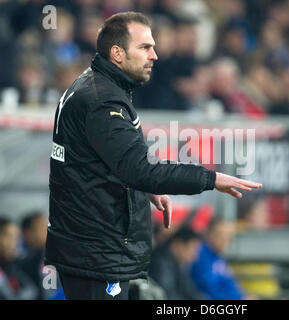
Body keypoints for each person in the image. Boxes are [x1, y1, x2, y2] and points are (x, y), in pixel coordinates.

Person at [45, 11, 261, 300]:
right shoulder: (102, 100)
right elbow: (139, 169)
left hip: (93, 248)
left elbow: (103, 161)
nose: (155, 55)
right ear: (117, 53)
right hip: (96, 252)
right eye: (145, 47)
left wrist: (144, 189)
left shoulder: (99, 86)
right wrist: (210, 179)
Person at [190, 218, 247, 300]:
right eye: (221, 235)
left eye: (229, 237)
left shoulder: (218, 257)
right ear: (210, 234)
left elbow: (229, 283)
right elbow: (208, 289)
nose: (225, 241)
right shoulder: (199, 254)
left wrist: (242, 297)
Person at [149, 227, 204, 300]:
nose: (194, 256)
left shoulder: (179, 262)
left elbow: (188, 289)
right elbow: (166, 295)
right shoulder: (160, 262)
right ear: (177, 244)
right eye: (192, 249)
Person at [0, 217, 38, 300]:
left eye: (16, 237)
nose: (13, 242)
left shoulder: (15, 265)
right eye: (8, 236)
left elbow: (32, 291)